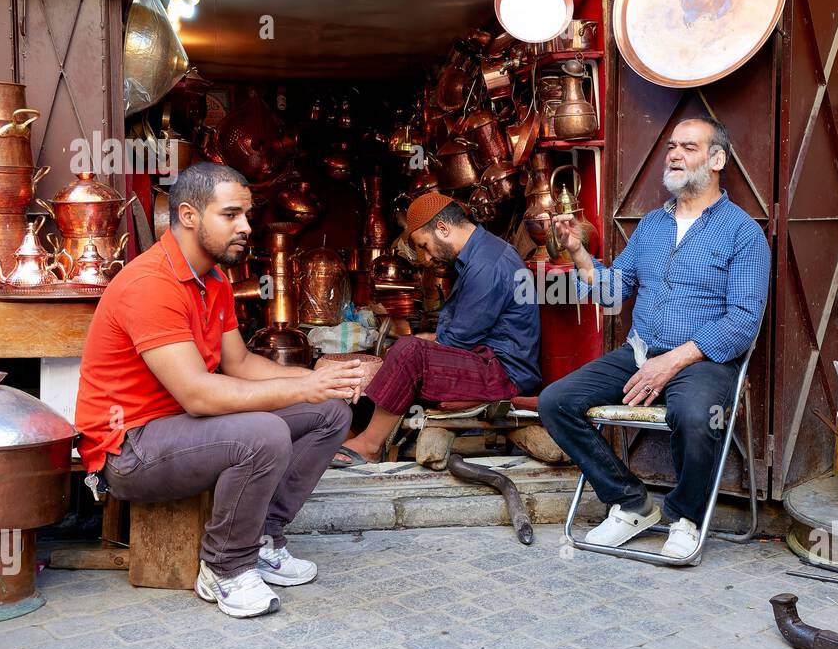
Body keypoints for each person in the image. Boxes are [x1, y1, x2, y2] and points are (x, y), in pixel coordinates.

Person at [75, 163, 361, 618]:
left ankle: (263, 535)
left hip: (185, 430)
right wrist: (302, 386)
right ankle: (224, 568)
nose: (246, 227)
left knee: (329, 413)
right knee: (262, 434)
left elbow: (241, 364)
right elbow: (200, 395)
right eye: (231, 215)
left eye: (246, 215)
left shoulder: (214, 280)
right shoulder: (151, 284)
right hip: (131, 448)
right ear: (188, 215)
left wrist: (322, 378)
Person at [539, 117, 770, 562]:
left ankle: (685, 516)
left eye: (688, 147)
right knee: (555, 402)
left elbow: (742, 322)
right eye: (671, 147)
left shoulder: (743, 233)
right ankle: (630, 503)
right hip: (640, 353)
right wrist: (577, 251)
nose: (675, 155)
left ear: (717, 159)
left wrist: (673, 363)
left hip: (702, 360)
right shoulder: (651, 227)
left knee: (695, 414)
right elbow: (612, 291)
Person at [332, 192, 541, 466]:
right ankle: (362, 436)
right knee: (407, 349)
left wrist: (406, 354)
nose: (428, 256)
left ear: (442, 228)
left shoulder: (488, 264)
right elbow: (454, 333)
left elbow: (457, 341)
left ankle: (370, 445)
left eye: (426, 245)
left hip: (503, 373)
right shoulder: (479, 256)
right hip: (487, 361)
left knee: (410, 353)